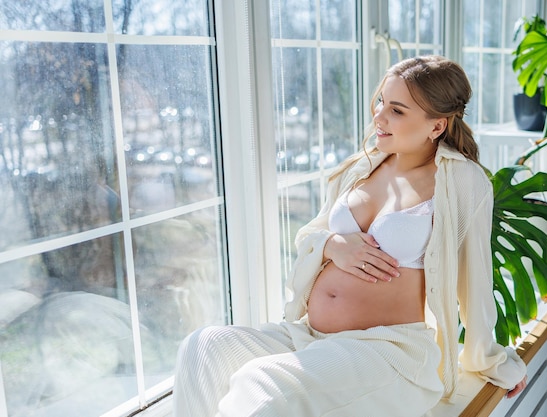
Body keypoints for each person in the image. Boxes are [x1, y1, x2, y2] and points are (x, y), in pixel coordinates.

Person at [172, 55, 527, 417]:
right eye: (381, 103)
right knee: (203, 347)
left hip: (387, 352)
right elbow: (313, 233)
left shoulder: (462, 181)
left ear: (436, 127)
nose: (379, 117)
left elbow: (476, 278)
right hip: (310, 338)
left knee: (261, 384)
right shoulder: (363, 166)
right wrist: (332, 245)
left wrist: (490, 359)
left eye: (397, 111)